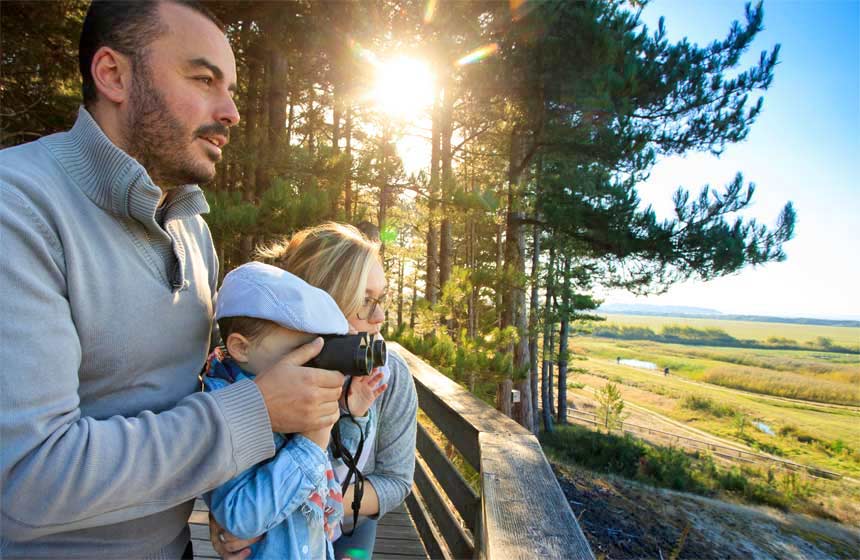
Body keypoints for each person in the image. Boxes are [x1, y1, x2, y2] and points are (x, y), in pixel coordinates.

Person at [0, 2, 344, 557]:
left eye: (231, 89)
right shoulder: (17, 208)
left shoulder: (193, 230)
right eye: (204, 79)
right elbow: (29, 479)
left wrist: (235, 505)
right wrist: (256, 413)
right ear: (113, 74)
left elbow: (190, 403)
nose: (232, 112)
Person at [212, 223, 418, 560]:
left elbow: (396, 482)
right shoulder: (261, 367)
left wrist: (280, 509)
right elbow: (236, 485)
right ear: (316, 301)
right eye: (364, 301)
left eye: (382, 299)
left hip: (350, 521)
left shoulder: (389, 377)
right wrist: (230, 511)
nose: (379, 317)